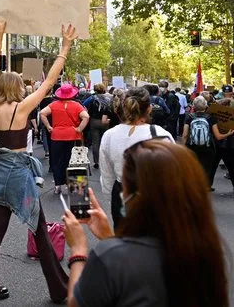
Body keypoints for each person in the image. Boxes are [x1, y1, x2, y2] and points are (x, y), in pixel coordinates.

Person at [0, 19, 76, 303]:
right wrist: (64, 47)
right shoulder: (22, 107)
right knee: (40, 231)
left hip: (0, 172)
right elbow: (50, 82)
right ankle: (58, 289)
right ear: (17, 86)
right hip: (19, 174)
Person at [63, 140, 228, 307]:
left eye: (124, 188)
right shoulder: (207, 250)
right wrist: (108, 237)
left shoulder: (110, 256)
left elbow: (76, 303)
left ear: (137, 196)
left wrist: (78, 250)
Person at [99, 87, 173, 229]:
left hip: (121, 194)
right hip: (153, 195)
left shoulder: (109, 135)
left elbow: (107, 175)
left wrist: (112, 200)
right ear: (149, 108)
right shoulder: (161, 135)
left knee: (124, 242)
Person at [40, 84, 90, 194]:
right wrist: (79, 128)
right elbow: (86, 116)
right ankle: (74, 185)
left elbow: (42, 113)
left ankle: (58, 185)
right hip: (73, 135)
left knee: (57, 161)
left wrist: (49, 126)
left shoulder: (54, 104)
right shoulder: (77, 105)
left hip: (56, 136)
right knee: (74, 161)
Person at [182, 96, 233, 190]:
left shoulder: (189, 117)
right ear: (205, 106)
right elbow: (218, 136)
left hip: (192, 146)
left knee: (194, 167)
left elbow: (185, 135)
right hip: (210, 146)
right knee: (208, 167)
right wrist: (228, 134)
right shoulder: (211, 118)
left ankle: (196, 186)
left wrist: (183, 147)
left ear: (194, 106)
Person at [83, 83, 110, 169]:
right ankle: (105, 161)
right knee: (105, 141)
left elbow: (83, 104)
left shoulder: (91, 98)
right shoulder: (108, 98)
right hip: (105, 120)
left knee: (95, 142)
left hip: (94, 121)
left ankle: (96, 161)